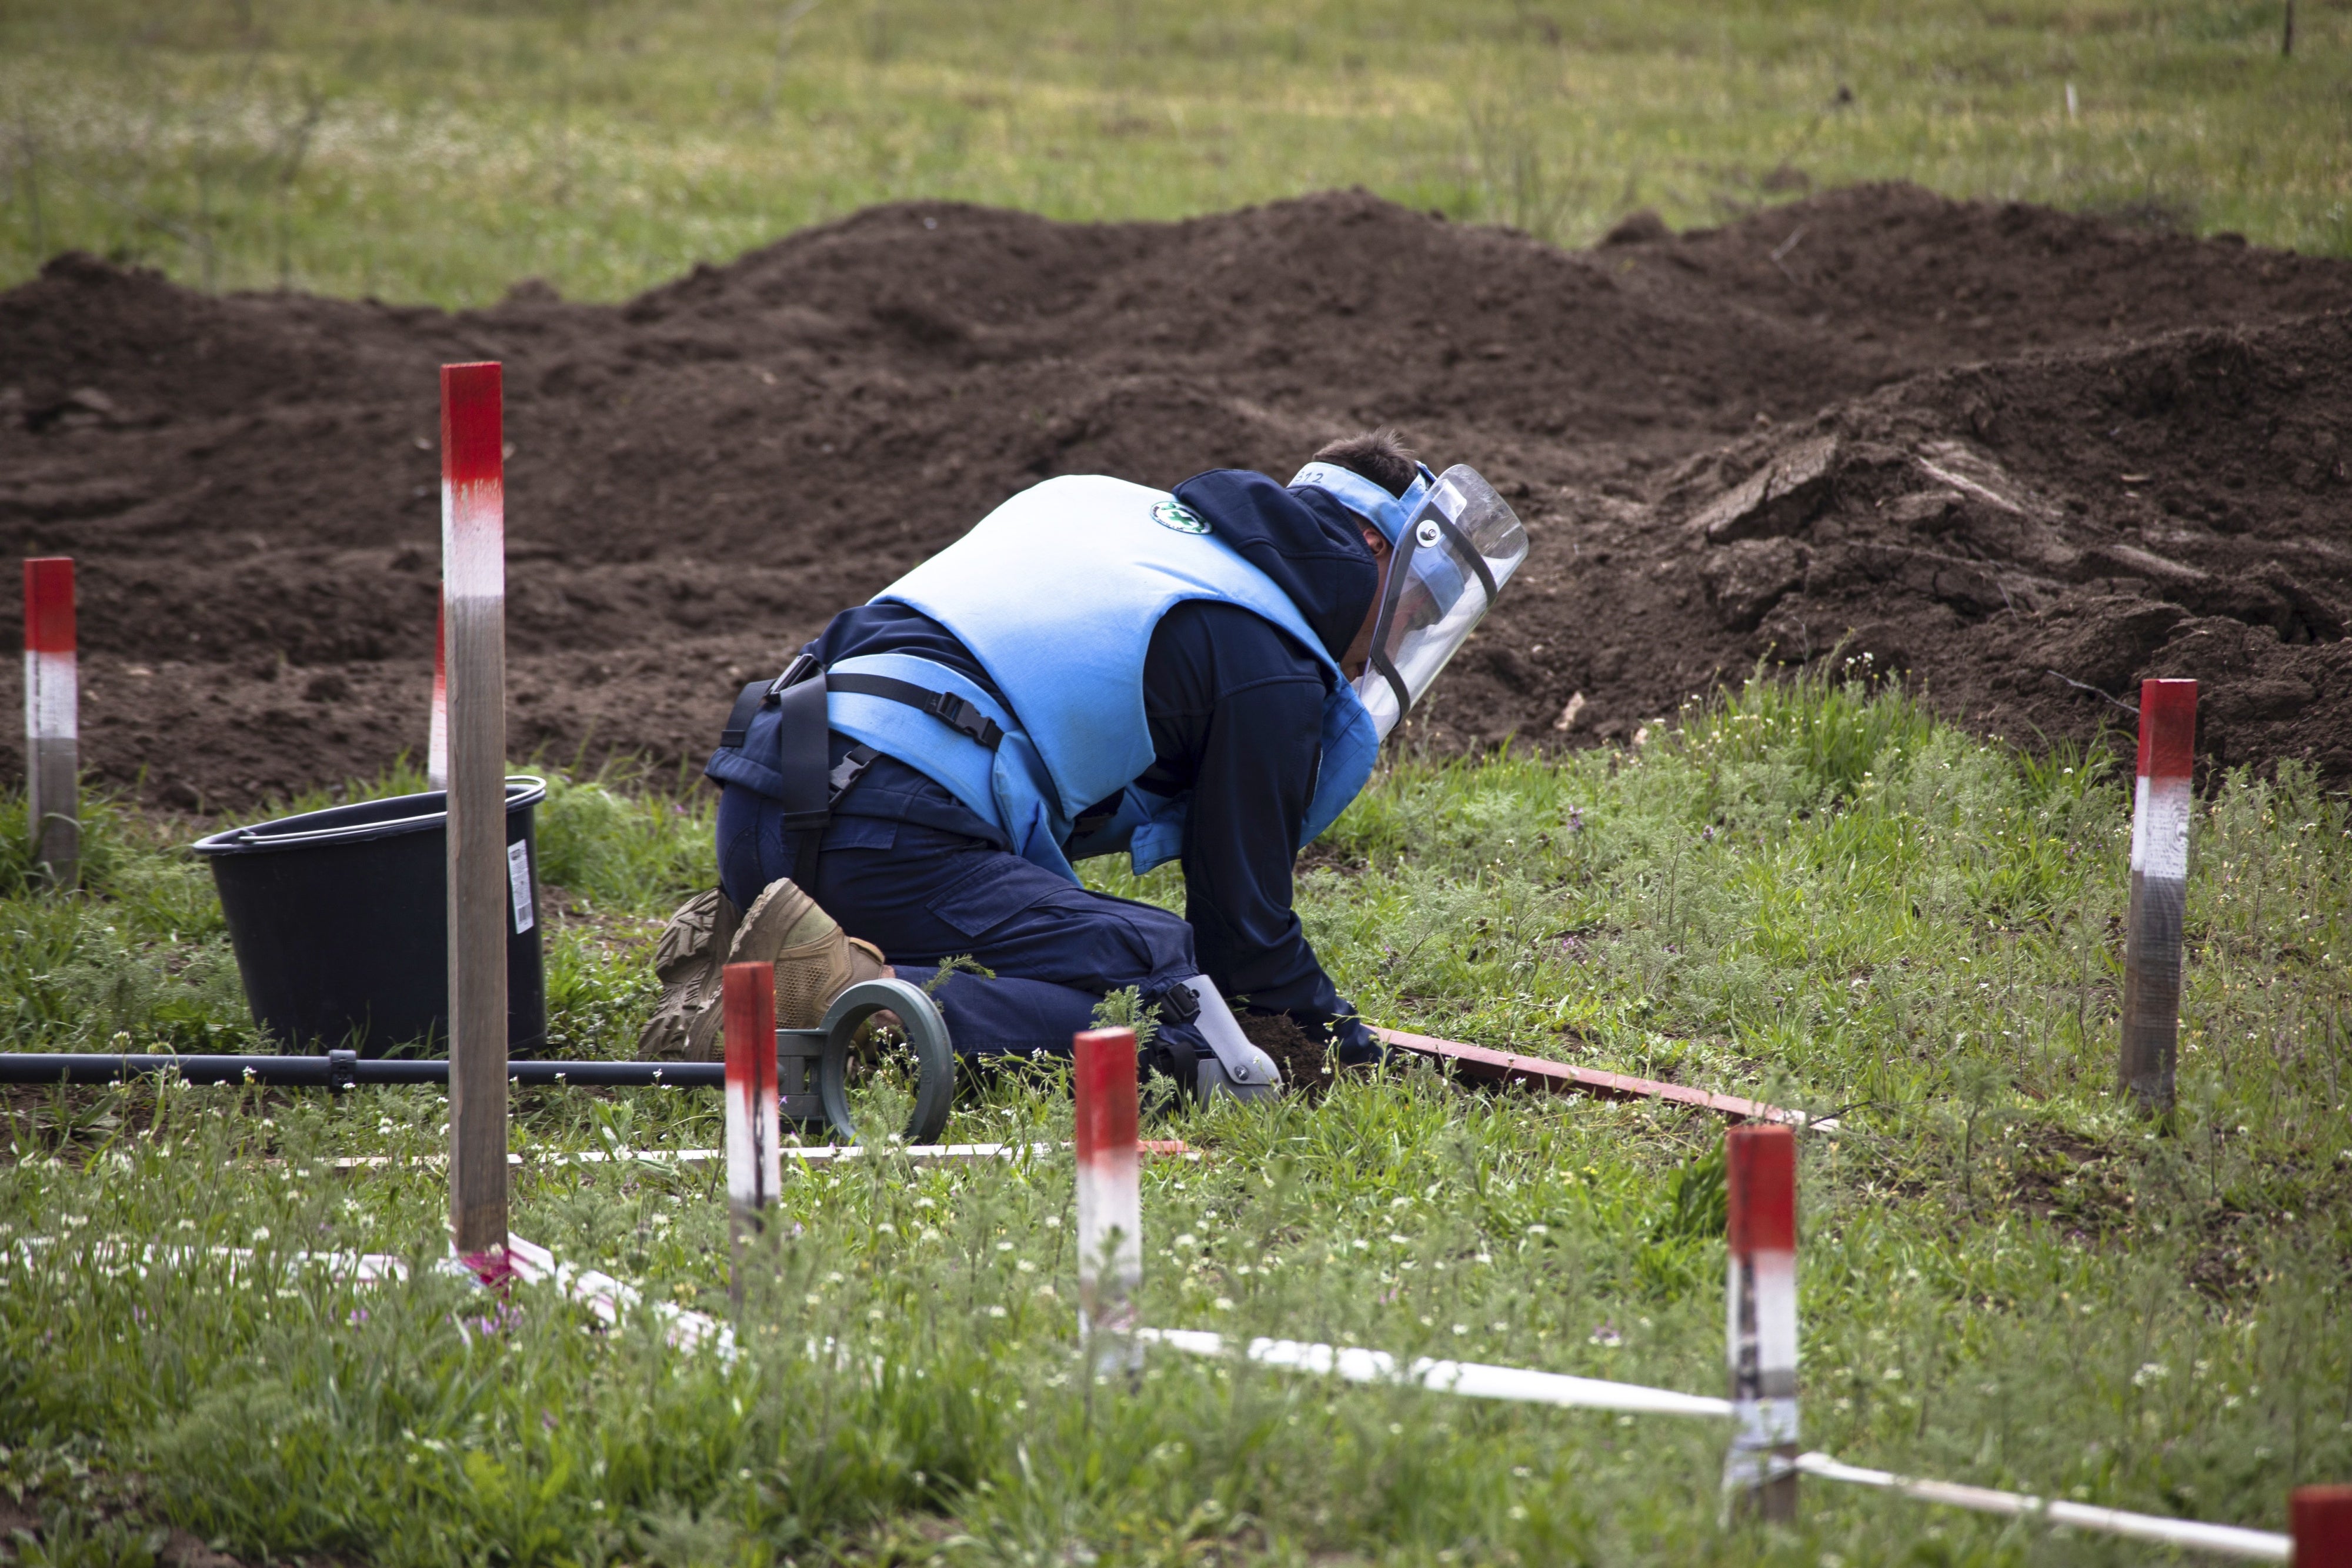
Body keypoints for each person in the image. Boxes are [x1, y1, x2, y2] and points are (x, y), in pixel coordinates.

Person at [639, 430, 1527, 1099]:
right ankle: (846, 998)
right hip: (882, 823)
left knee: (1075, 942)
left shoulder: (1127, 522)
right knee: (1168, 979)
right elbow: (1245, 942)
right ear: (1373, 550)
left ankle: (759, 951)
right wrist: (1346, 1054)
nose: (1397, 638)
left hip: (763, 799)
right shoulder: (1273, 655)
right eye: (1412, 607)